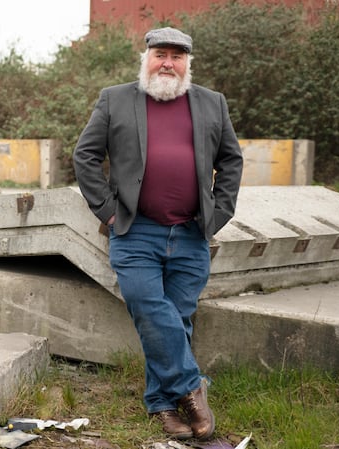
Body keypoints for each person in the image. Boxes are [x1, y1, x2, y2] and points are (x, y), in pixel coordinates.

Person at [72, 27, 243, 440]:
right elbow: (86, 155)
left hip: (190, 233)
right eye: (160, 54)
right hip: (135, 231)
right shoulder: (116, 99)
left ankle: (164, 405)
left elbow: (231, 160)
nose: (168, 62)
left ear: (187, 64)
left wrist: (218, 214)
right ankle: (192, 387)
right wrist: (109, 213)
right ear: (146, 57)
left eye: (177, 56)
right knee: (151, 309)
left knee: (175, 321)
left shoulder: (211, 103)